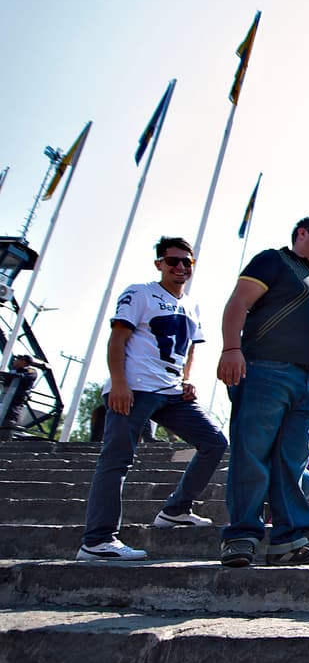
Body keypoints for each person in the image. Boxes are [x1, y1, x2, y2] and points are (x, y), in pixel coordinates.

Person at [77, 237, 228, 561]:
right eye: (173, 261)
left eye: (187, 262)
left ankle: (176, 508)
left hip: (172, 391)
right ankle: (98, 540)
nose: (181, 267)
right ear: (159, 263)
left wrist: (186, 379)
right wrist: (119, 382)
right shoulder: (140, 292)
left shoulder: (192, 304)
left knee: (215, 442)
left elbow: (189, 349)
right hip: (136, 386)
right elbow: (117, 339)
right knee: (116, 460)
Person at [217, 216, 309, 568]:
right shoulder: (274, 260)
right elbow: (238, 303)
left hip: (307, 385)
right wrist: (230, 349)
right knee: (252, 454)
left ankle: (289, 541)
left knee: (293, 462)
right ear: (302, 234)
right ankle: (241, 536)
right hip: (265, 371)